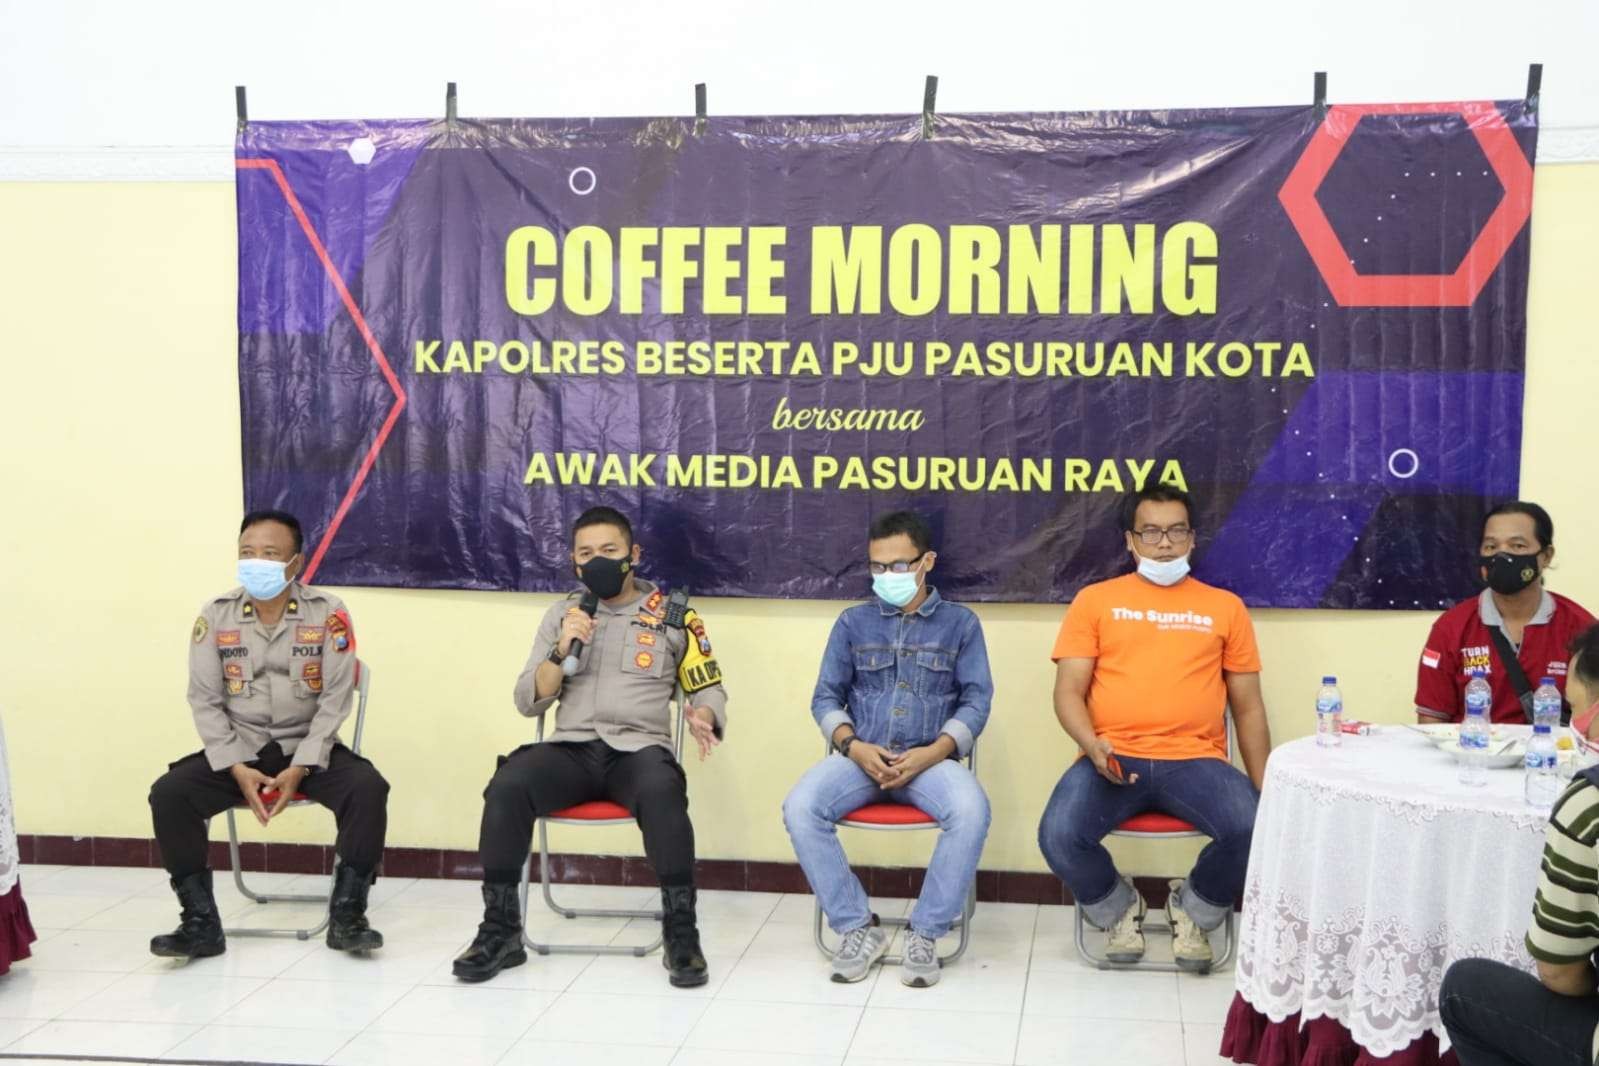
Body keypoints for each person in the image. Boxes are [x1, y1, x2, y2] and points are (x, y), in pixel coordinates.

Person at [453, 506, 728, 988]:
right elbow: (528, 701)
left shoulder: (676, 614)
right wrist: (562, 649)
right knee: (508, 785)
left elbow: (707, 685)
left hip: (639, 751)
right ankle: (500, 930)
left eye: (609, 551)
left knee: (664, 790)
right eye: (586, 553)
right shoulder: (563, 613)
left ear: (633, 555)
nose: (597, 560)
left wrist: (704, 714)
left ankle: (681, 933)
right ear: (574, 563)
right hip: (572, 750)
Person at [1037, 484, 1270, 972]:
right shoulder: (1095, 601)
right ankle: (1121, 908)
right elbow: (1068, 693)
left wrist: (1265, 787)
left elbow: (1247, 708)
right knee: (1058, 835)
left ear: (1192, 538)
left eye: (1176, 531)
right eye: (1151, 532)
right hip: (1111, 758)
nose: (1164, 543)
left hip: (1195, 761)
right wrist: (1090, 744)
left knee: (1256, 827)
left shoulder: (1225, 607)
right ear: (1130, 541)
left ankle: (1194, 908)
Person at [148, 510, 388, 959]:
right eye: (247, 553)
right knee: (170, 793)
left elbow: (336, 696)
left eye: (270, 554)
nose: (256, 562)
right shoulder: (215, 616)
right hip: (240, 750)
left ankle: (349, 917)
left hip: (309, 749)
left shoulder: (329, 612)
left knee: (368, 788)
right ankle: (199, 923)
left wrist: (302, 765)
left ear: (295, 563)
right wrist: (235, 766)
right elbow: (204, 699)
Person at [782, 510, 993, 988]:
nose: (888, 577)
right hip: (861, 758)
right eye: (878, 567)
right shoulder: (853, 623)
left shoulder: (961, 624)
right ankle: (856, 927)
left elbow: (977, 700)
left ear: (927, 562)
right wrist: (853, 746)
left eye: (900, 566)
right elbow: (825, 698)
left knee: (972, 809)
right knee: (801, 806)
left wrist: (935, 752)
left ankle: (925, 932)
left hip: (929, 760)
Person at [1439, 622, 1599, 1065]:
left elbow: (1560, 971)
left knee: (1464, 989)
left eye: (1576, 710)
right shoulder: (1455, 625)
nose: (1575, 727)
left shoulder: (1588, 803)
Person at [1416, 501, 1595, 725]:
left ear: (1546, 556)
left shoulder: (1581, 627)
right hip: (1473, 752)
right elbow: (1431, 718)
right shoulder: (1452, 627)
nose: (1502, 556)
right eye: (1491, 547)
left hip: (1550, 755)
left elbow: (1594, 719)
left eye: (1517, 546)